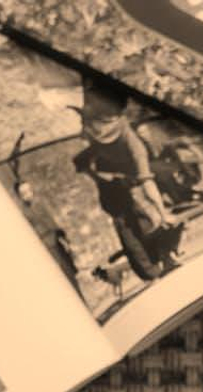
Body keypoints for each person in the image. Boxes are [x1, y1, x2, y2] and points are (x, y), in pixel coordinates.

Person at [72, 86, 183, 281]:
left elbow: (148, 184)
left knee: (148, 221)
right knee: (128, 226)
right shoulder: (94, 125)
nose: (96, 132)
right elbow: (84, 157)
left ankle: (163, 258)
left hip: (131, 185)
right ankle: (152, 269)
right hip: (113, 189)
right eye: (93, 126)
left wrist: (162, 212)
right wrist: (98, 175)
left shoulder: (134, 146)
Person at [14, 181, 86, 302]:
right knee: (61, 279)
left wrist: (65, 240)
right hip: (46, 246)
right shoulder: (24, 213)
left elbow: (53, 223)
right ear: (19, 196)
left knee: (70, 274)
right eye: (24, 193)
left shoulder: (40, 204)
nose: (28, 195)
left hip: (56, 242)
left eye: (29, 191)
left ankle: (82, 303)